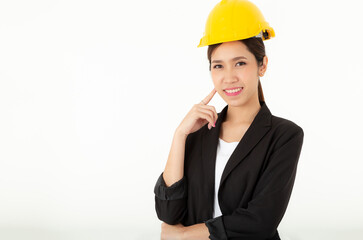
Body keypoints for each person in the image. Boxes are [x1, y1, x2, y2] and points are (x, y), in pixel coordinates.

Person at [153, 0, 304, 239]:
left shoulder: (284, 135)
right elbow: (168, 212)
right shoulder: (199, 132)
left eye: (240, 63)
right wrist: (180, 135)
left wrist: (184, 236)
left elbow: (260, 221)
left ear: (262, 65)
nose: (229, 77)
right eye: (218, 66)